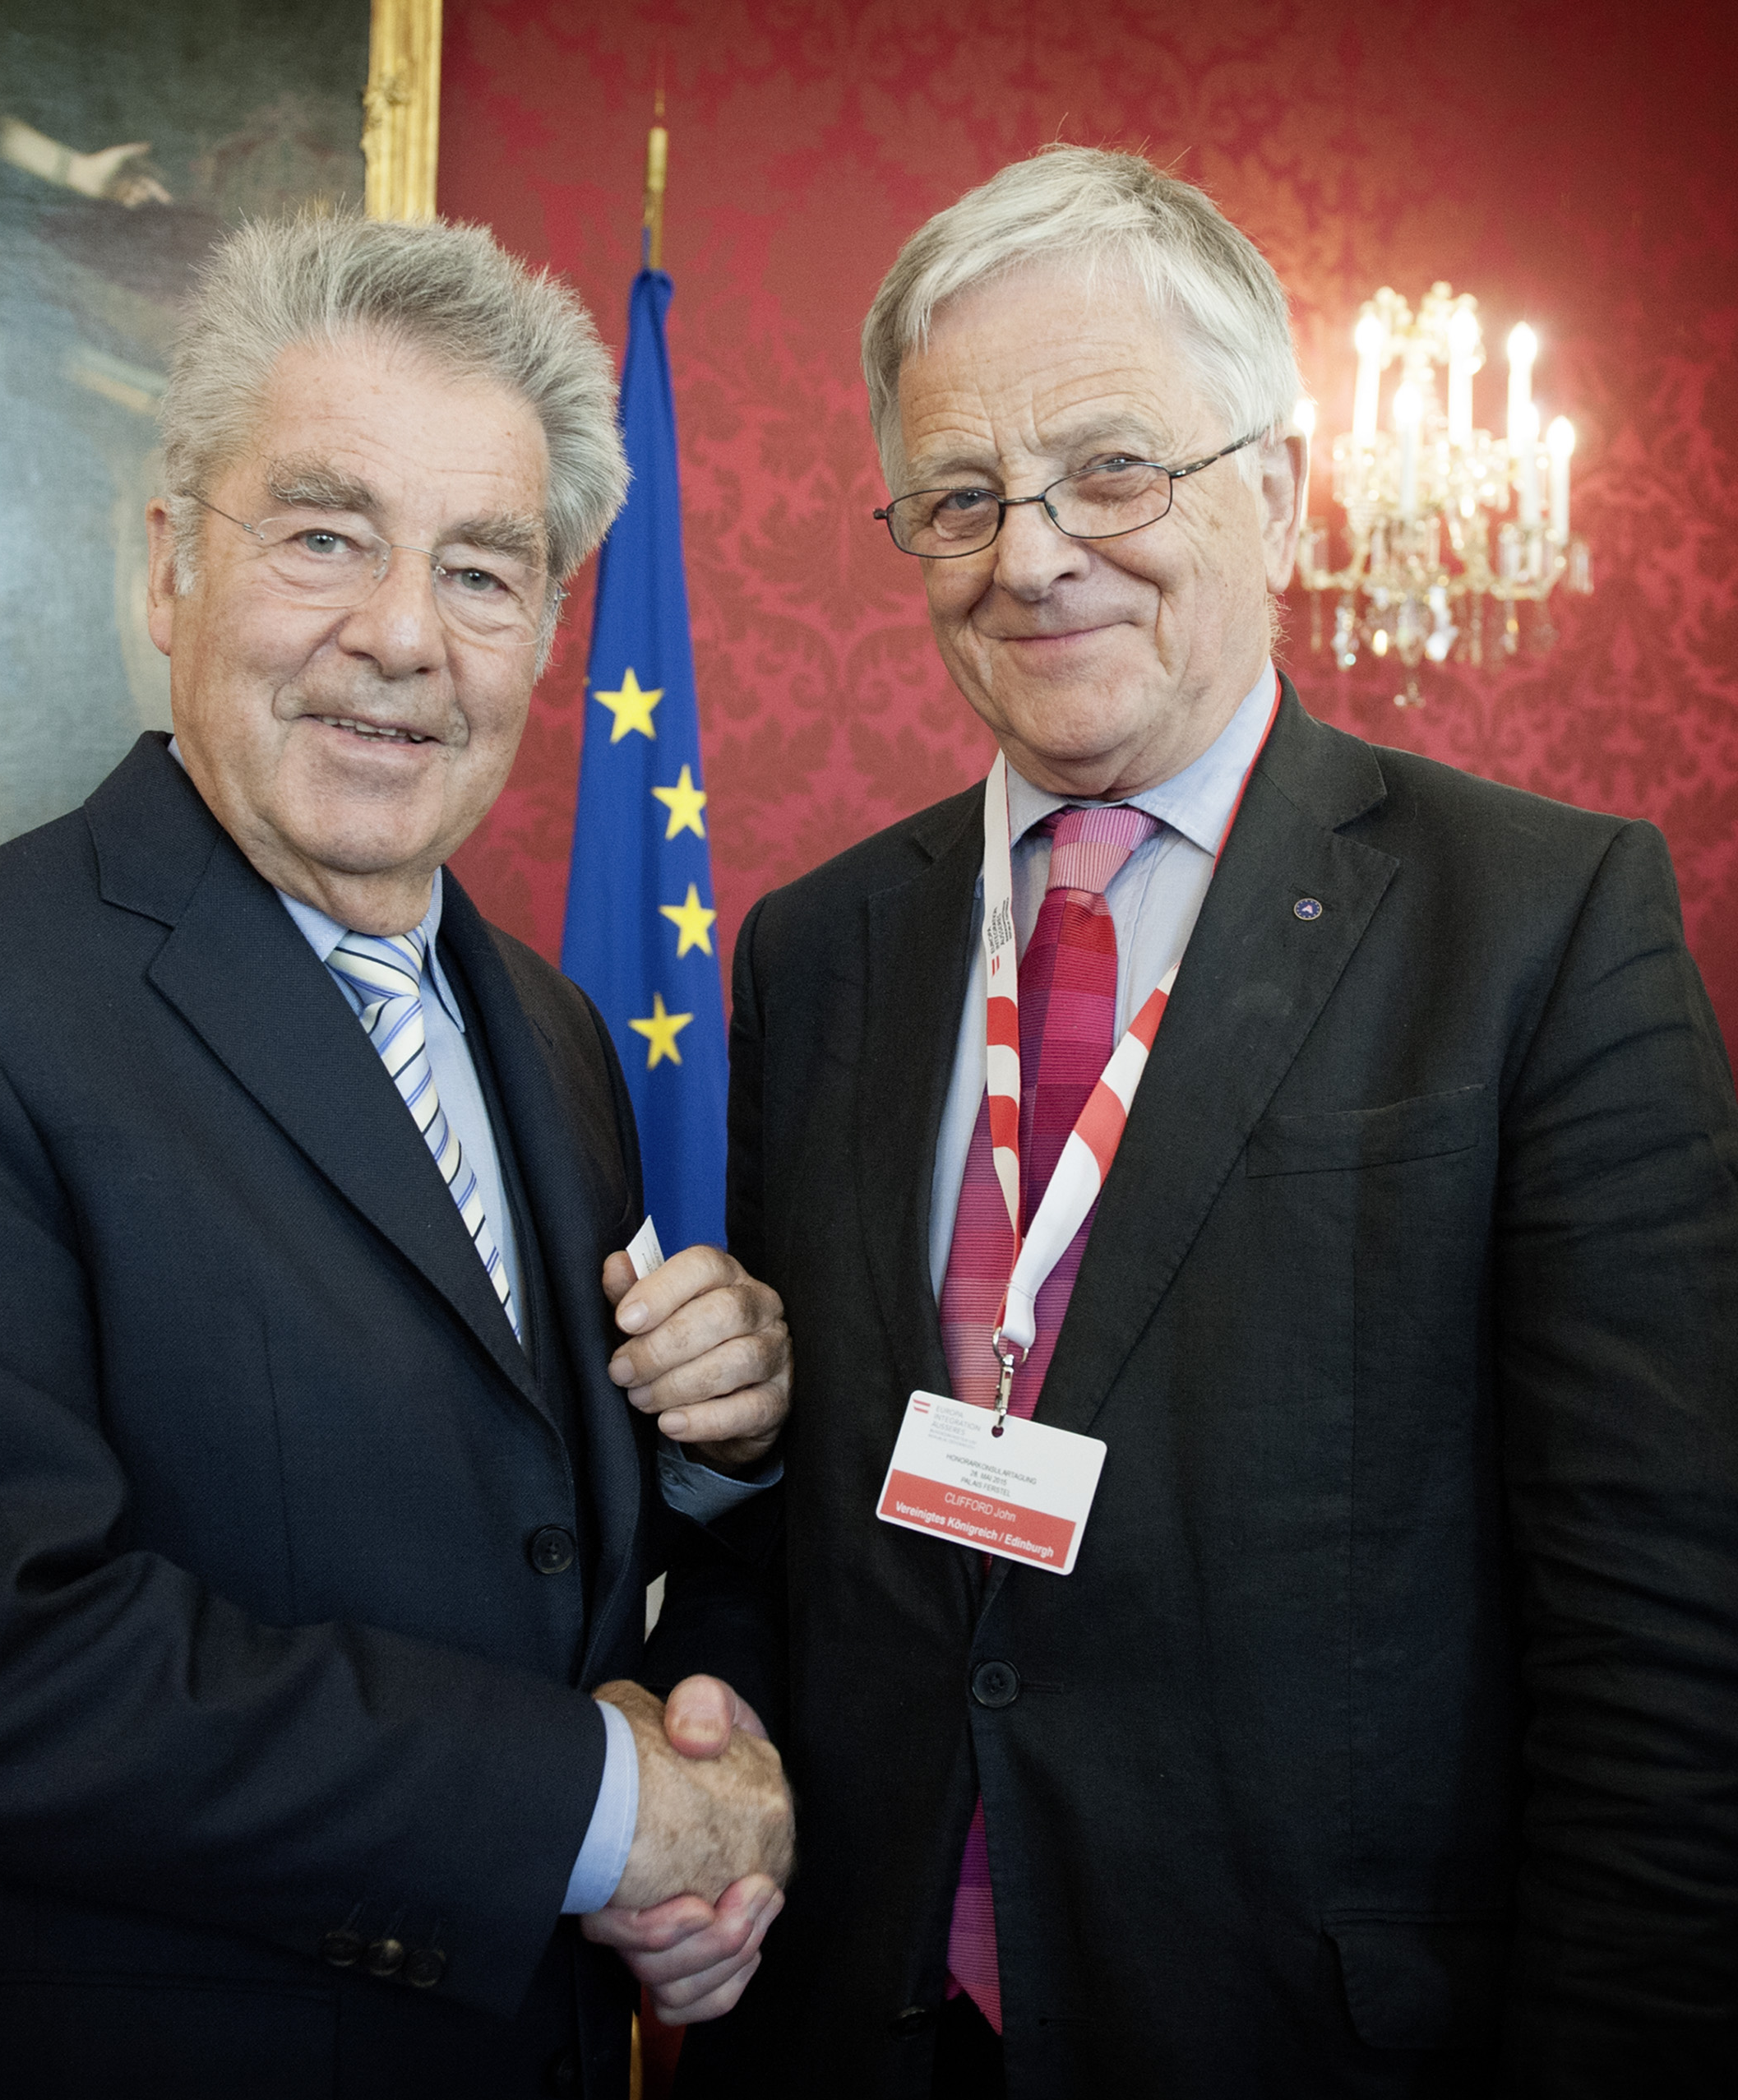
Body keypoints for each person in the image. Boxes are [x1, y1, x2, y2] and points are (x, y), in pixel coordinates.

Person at [626, 147, 1738, 2096]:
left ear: (1279, 490)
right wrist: (697, 1740)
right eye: (959, 495)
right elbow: (809, 1522)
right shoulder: (817, 945)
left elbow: (1662, 1629)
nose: (1032, 553)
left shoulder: (1539, 922)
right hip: (853, 2022)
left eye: (1112, 469)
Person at [0, 210, 795, 2099]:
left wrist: (714, 1461)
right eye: (323, 535)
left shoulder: (553, 1032)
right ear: (169, 565)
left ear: (547, 634)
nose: (402, 634)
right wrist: (603, 1810)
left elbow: (525, 1526)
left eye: (482, 570)